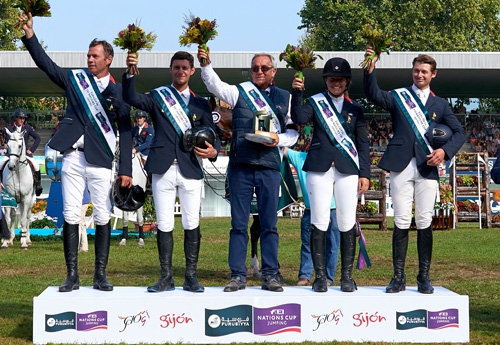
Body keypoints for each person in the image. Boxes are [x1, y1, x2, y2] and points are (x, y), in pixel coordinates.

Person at [19, 12, 133, 293]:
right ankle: (72, 275)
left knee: (104, 215)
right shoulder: (75, 81)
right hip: (72, 156)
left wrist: (127, 171)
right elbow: (47, 66)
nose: (90, 60)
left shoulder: (119, 93)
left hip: (102, 160)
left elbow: (127, 131)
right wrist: (30, 36)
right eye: (88, 56)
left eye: (95, 56)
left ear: (109, 59)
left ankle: (100, 275)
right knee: (71, 214)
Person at [363, 47, 466, 294]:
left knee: (424, 221)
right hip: (400, 165)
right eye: (416, 70)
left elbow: (460, 132)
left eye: (424, 72)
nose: (419, 75)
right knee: (400, 221)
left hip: (427, 166)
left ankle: (424, 277)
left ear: (433, 74)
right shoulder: (399, 96)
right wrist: (370, 66)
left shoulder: (440, 105)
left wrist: (444, 152)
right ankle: (398, 278)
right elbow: (373, 93)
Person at [197, 46, 298, 293]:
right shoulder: (239, 92)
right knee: (238, 224)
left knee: (269, 224)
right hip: (241, 165)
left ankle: (271, 274)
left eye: (264, 68)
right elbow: (214, 85)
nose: (259, 71)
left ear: (273, 71)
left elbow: (293, 133)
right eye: (255, 68)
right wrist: (205, 63)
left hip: (269, 166)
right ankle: (237, 275)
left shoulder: (286, 97)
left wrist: (278, 139)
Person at [123, 50, 220, 293]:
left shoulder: (200, 103)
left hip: (190, 168)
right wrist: (130, 72)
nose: (180, 71)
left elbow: (213, 135)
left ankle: (191, 277)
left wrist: (214, 151)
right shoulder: (157, 97)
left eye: (185, 68)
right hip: (163, 168)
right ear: (171, 69)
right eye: (176, 67)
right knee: (165, 223)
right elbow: (131, 98)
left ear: (192, 71)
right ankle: (166, 277)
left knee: (191, 222)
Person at [291, 57, 370, 293]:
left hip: (347, 169)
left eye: (340, 79)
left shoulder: (355, 109)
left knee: (346, 222)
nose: (336, 83)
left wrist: (364, 173)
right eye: (332, 79)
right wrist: (297, 93)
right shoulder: (315, 103)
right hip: (319, 168)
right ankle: (320, 277)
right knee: (319, 221)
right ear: (326, 80)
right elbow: (298, 118)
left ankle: (346, 277)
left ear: (347, 82)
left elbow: (363, 143)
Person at [285, 147, 340, 286]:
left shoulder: (333, 157)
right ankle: (305, 275)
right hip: (311, 209)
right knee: (308, 243)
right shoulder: (300, 157)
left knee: (331, 245)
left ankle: (327, 277)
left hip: (332, 209)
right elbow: (281, 147)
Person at [119, 109, 155, 247]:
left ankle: (150, 184)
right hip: (135, 152)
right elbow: (130, 139)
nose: (139, 120)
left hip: (145, 153)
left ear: (144, 119)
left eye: (140, 118)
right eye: (137, 118)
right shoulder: (134, 129)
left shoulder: (150, 129)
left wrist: (136, 149)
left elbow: (148, 144)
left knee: (149, 166)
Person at [5, 108, 43, 196]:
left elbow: (38, 138)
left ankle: (38, 186)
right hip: (11, 154)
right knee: (1, 164)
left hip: (24, 154)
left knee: (36, 166)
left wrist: (31, 150)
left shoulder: (27, 128)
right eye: (20, 118)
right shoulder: (9, 128)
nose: (22, 120)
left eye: (24, 118)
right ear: (15, 118)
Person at [79, 187, 91, 253]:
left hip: (81, 201)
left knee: (79, 224)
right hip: (84, 200)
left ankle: (77, 246)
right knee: (81, 224)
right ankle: (84, 247)